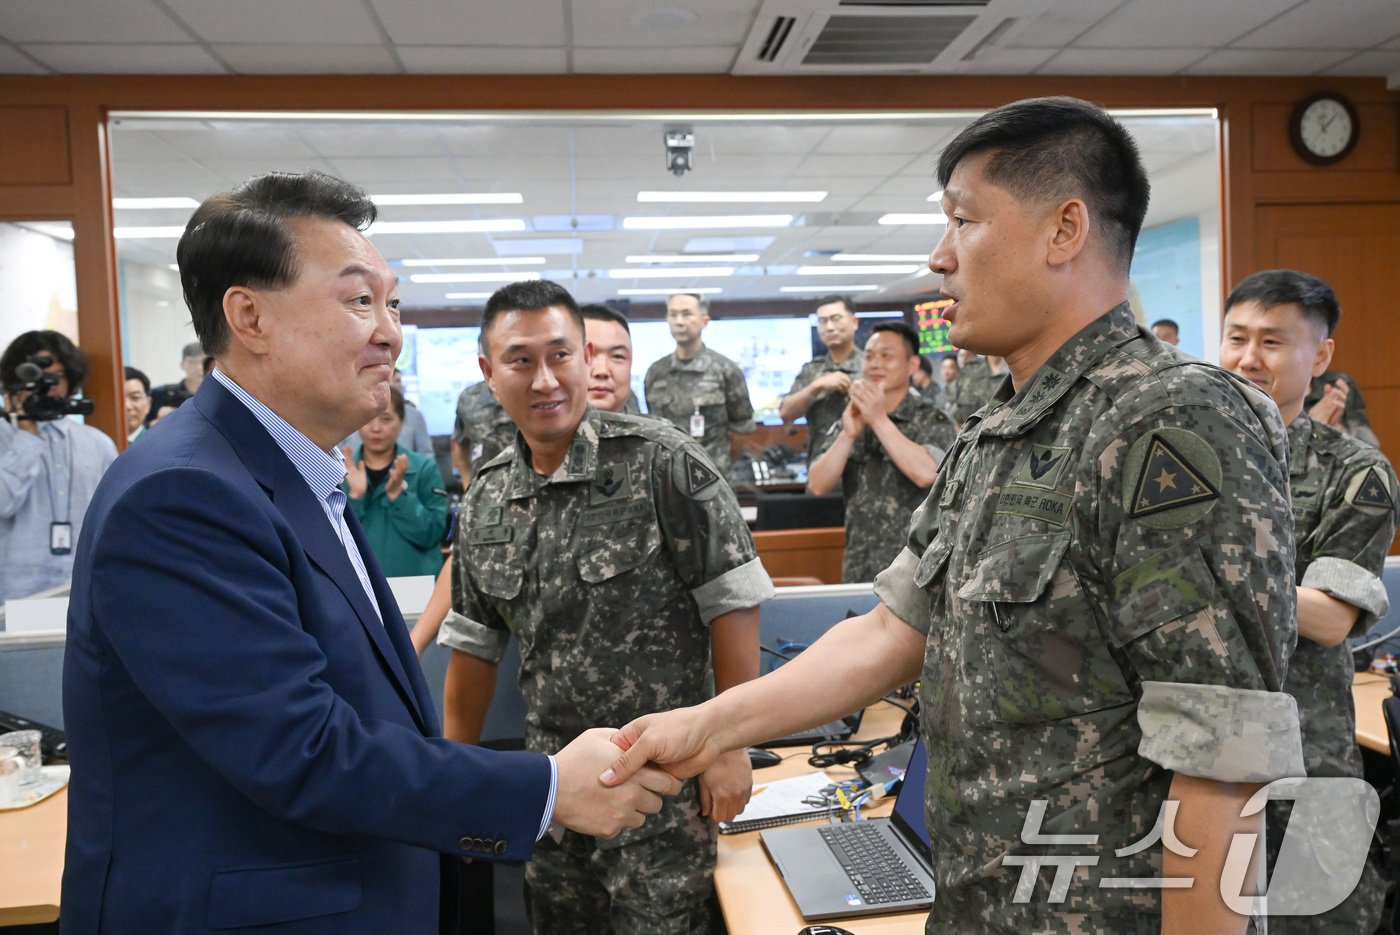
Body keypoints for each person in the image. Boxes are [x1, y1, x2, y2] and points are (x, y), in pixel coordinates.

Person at [604, 97, 1302, 935]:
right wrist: (704, 722)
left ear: (1063, 230)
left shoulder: (1173, 419)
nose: (939, 258)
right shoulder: (1002, 432)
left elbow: (1219, 761)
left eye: (963, 222)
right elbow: (892, 630)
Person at [60, 170, 679, 935]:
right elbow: (302, 747)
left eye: (391, 302)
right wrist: (545, 787)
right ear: (248, 316)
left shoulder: (292, 470)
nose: (389, 330)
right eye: (358, 300)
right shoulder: (184, 492)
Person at [440, 279, 772, 933]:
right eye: (520, 360)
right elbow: (474, 653)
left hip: (665, 791)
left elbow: (734, 604)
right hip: (555, 798)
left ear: (585, 355)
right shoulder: (485, 500)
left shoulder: (664, 462)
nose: (545, 379)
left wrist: (734, 747)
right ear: (488, 372)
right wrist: (459, 789)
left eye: (560, 355)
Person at [1220, 268, 1397, 934]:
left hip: (1305, 754)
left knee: (1318, 921)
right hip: (1191, 749)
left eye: (1271, 341)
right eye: (1237, 337)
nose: (1246, 358)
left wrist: (1206, 575)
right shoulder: (1184, 459)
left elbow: (1326, 617)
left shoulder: (1355, 473)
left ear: (1319, 356)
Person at [807, 321, 954, 583]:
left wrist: (879, 421)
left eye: (886, 356)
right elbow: (817, 485)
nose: (875, 364)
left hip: (916, 572)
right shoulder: (852, 414)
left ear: (912, 365)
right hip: (859, 566)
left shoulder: (932, 419)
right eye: (870, 356)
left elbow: (927, 473)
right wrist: (848, 434)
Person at [0, 330, 117, 602]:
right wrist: (26, 434)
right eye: (36, 377)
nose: (48, 385)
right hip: (13, 597)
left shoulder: (98, 444)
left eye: (57, 376)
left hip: (81, 592)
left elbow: (113, 522)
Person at [644, 292, 755, 476]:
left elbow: (742, 430)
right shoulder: (656, 372)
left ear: (705, 320)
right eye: (673, 314)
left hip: (713, 477)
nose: (679, 321)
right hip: (666, 478)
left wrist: (721, 463)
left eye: (687, 314)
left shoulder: (725, 370)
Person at [343, 386, 449, 578]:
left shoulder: (424, 469)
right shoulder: (344, 473)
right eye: (368, 418)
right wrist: (355, 498)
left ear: (401, 423)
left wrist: (399, 496)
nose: (376, 428)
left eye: (386, 419)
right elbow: (335, 540)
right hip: (363, 584)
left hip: (417, 586)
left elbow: (433, 533)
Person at [779, 295, 864, 463]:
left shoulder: (872, 367)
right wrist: (815, 387)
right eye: (822, 321)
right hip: (821, 471)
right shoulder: (812, 370)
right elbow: (786, 413)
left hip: (867, 473)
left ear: (854, 322)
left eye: (836, 319)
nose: (829, 327)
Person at [451, 375, 515, 484]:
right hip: (483, 491)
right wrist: (468, 488)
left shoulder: (530, 391)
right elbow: (460, 444)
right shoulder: (469, 398)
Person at [582, 302, 642, 414]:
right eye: (586, 355)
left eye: (617, 356)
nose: (602, 371)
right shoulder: (541, 430)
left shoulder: (661, 431)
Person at [1306, 370, 1380, 447]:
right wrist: (1309, 430)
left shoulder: (1337, 384)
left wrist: (1335, 429)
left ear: (1321, 359)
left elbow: (1369, 448)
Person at [146, 340, 205, 420]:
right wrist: (156, 422)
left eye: (204, 362)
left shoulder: (220, 396)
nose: (199, 367)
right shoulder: (161, 394)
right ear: (182, 364)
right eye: (192, 362)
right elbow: (139, 426)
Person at [122, 366, 151, 444]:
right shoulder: (100, 445)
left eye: (135, 397)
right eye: (119, 399)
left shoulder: (159, 444)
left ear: (148, 404)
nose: (127, 406)